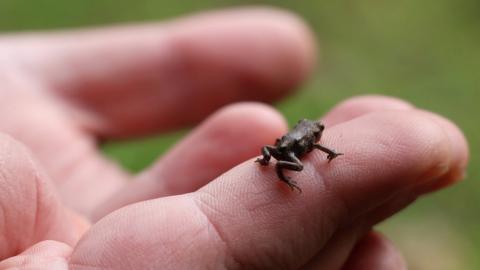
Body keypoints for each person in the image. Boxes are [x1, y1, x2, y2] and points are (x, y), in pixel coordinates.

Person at [0, 7, 468, 270]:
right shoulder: (313, 142)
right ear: (316, 136)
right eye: (320, 137)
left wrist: (277, 160)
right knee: (299, 173)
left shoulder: (309, 139)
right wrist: (297, 165)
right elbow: (318, 149)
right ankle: (284, 179)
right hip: (285, 151)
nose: (321, 138)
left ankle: (280, 173)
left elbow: (310, 144)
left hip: (281, 149)